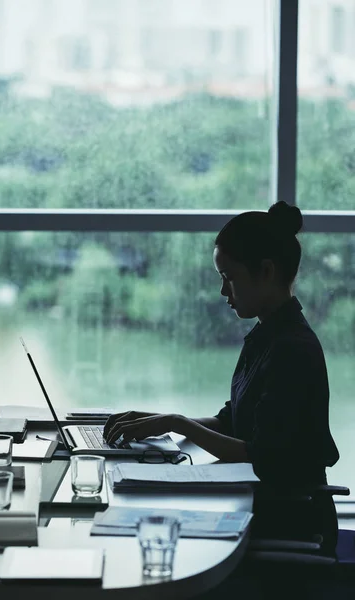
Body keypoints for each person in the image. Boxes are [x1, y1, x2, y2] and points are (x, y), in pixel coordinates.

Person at [104, 200, 340, 555]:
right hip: (259, 504)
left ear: (266, 271)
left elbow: (260, 456)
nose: (223, 291)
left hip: (289, 518)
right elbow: (231, 421)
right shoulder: (267, 335)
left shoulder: (293, 349)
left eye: (229, 278)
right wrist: (157, 422)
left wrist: (178, 422)